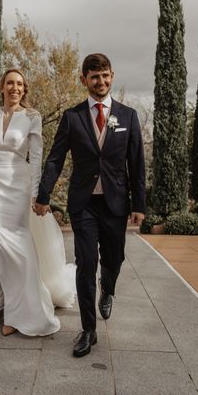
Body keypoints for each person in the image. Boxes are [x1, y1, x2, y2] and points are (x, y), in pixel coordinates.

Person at [35, 53, 146, 357]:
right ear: (84, 79)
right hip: (83, 204)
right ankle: (88, 330)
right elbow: (56, 158)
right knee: (86, 264)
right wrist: (43, 195)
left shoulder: (128, 116)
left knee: (115, 258)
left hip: (116, 203)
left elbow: (137, 163)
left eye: (106, 75)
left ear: (112, 76)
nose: (101, 81)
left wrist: (140, 203)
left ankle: (107, 288)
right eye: (95, 76)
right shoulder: (72, 117)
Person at [0, 68, 73, 337]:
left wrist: (36, 194)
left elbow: (37, 157)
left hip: (19, 187)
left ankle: (18, 312)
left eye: (19, 84)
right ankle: (0, 295)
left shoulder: (32, 117)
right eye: (10, 83)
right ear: (2, 87)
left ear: (24, 89)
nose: (14, 88)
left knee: (17, 251)